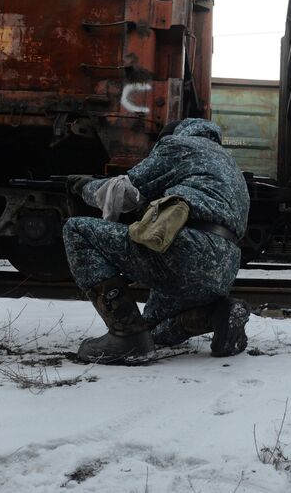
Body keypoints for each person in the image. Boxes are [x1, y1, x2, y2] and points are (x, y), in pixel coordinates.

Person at [62, 118, 251, 364]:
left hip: (187, 253)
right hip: (222, 272)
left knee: (77, 230)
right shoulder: (229, 165)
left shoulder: (178, 145)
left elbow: (123, 193)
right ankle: (218, 314)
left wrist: (86, 186)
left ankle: (126, 337)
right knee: (154, 330)